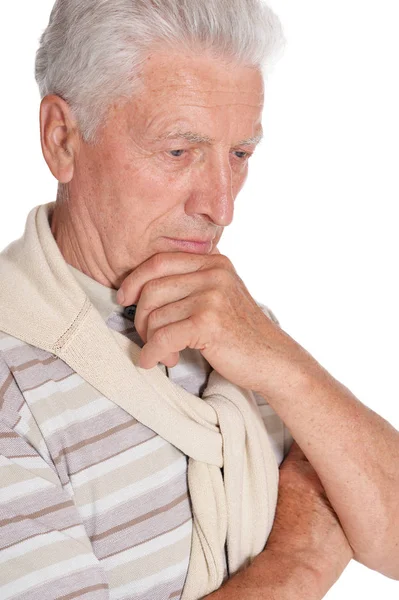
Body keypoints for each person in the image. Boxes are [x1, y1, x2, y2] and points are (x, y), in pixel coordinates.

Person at [0, 1, 398, 599]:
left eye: (239, 155)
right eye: (178, 152)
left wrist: (281, 362)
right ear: (62, 139)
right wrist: (298, 563)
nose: (221, 206)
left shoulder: (229, 320)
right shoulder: (14, 390)